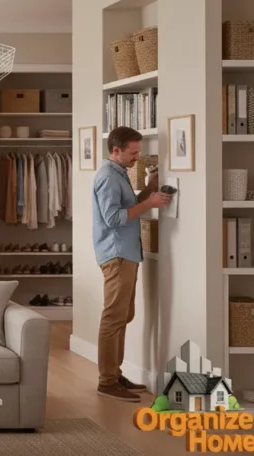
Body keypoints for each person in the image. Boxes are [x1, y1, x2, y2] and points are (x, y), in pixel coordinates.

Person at [92, 126, 172, 402]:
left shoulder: (119, 174)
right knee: (113, 317)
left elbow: (126, 209)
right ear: (116, 150)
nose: (136, 157)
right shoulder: (107, 177)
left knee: (124, 316)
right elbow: (114, 219)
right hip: (117, 254)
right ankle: (107, 381)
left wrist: (148, 190)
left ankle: (115, 373)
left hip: (127, 252)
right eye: (133, 152)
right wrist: (150, 201)